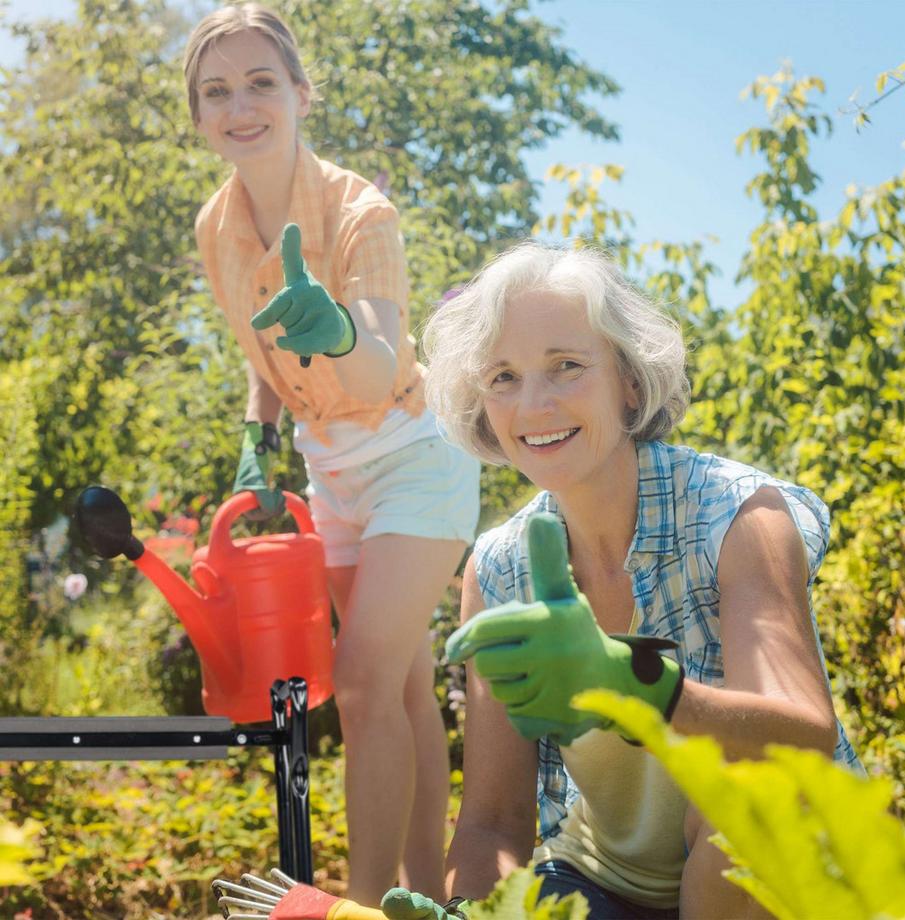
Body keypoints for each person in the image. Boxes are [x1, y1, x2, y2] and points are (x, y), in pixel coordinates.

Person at [383, 241, 862, 920]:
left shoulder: (738, 515)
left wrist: (628, 681)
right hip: (605, 888)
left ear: (630, 382)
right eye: (503, 378)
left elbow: (802, 735)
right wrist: (475, 910)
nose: (534, 404)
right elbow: (494, 818)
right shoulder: (498, 568)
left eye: (566, 367)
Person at [182, 5, 480, 903]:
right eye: (217, 91)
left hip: (413, 455)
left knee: (360, 683)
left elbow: (386, 356)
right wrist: (255, 437)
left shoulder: (362, 212)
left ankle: (354, 905)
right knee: (401, 693)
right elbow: (259, 355)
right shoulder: (215, 229)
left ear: (302, 94)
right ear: (199, 118)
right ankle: (429, 897)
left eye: (261, 83)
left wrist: (339, 327)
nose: (242, 106)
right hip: (331, 470)